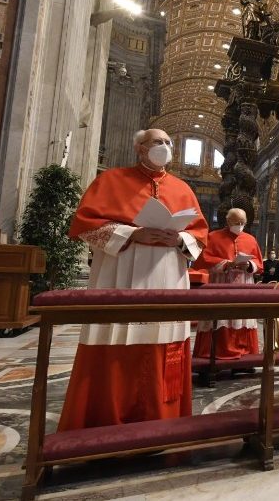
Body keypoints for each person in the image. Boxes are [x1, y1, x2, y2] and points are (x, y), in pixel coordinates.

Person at [60, 128, 208, 431]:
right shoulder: (111, 180)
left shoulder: (182, 188)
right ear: (140, 148)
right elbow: (86, 225)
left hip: (168, 273)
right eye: (157, 142)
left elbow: (200, 233)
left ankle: (163, 419)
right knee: (117, 338)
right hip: (121, 272)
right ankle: (108, 418)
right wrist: (132, 233)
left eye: (168, 142)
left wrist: (180, 238)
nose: (164, 146)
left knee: (164, 342)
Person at [191, 208, 262, 359]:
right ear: (228, 221)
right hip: (220, 283)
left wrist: (249, 265)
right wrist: (226, 264)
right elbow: (204, 259)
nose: (240, 225)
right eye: (237, 222)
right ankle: (216, 352)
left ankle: (245, 355)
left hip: (243, 285)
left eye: (243, 222)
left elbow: (258, 262)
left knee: (241, 317)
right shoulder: (213, 237)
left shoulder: (250, 239)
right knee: (220, 316)